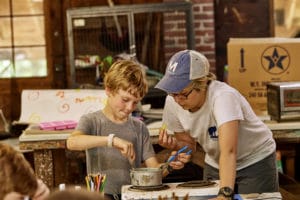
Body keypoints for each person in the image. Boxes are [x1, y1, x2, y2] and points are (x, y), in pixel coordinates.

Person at [155, 50, 279, 199]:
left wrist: (225, 194)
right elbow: (189, 145)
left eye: (183, 93)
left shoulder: (223, 97)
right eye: (173, 93)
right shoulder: (173, 101)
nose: (177, 100)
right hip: (216, 162)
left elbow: (229, 151)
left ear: (201, 84)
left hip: (254, 160)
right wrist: (176, 145)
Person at [67, 60, 191, 200]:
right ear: (108, 90)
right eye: (125, 99)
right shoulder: (92, 121)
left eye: (135, 102)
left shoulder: (139, 128)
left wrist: (169, 165)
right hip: (99, 196)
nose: (129, 108)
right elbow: (72, 142)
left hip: (131, 195)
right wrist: (111, 140)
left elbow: (154, 169)